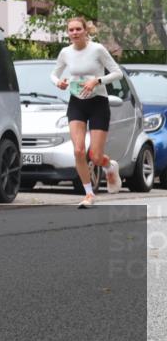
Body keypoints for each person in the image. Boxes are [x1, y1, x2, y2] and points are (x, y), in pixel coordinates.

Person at [50, 16, 124, 208]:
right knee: (78, 150)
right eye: (71, 30)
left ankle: (109, 166)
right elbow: (54, 74)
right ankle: (89, 194)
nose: (74, 33)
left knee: (96, 156)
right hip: (77, 103)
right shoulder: (65, 52)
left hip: (98, 102)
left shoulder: (97, 49)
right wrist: (59, 82)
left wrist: (96, 81)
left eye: (78, 29)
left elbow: (118, 73)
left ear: (85, 31)